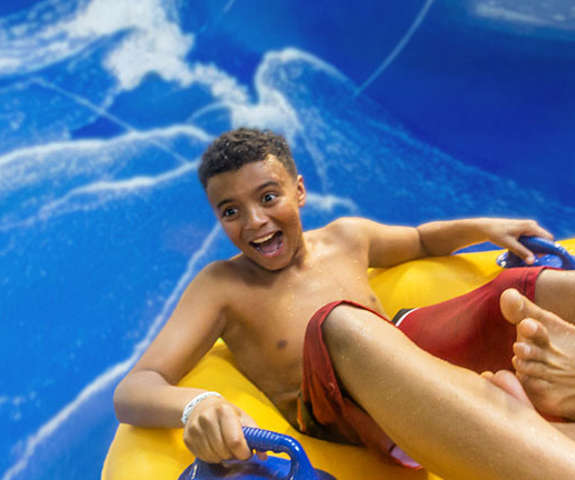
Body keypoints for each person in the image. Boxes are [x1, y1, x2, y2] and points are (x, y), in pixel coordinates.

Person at [113, 128, 575, 479]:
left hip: (409, 362)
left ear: (299, 190)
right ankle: (506, 417)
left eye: (268, 197)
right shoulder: (221, 286)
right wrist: (199, 406)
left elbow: (419, 240)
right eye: (231, 211)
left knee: (513, 291)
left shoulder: (346, 237)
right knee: (339, 326)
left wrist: (484, 227)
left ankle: (517, 408)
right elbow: (137, 387)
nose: (255, 222)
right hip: (338, 409)